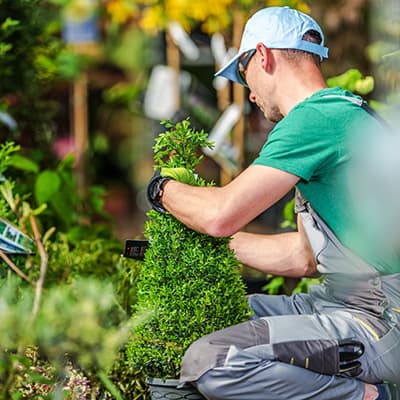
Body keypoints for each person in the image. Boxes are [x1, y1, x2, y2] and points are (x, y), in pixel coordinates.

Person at [147, 6, 400, 400]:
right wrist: (205, 249)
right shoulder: (335, 115)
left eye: (243, 72)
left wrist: (162, 190)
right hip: (341, 301)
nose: (248, 92)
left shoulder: (316, 120)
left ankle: (369, 397)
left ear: (263, 56)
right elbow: (304, 258)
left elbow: (219, 215)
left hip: (377, 321)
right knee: (214, 312)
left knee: (214, 360)